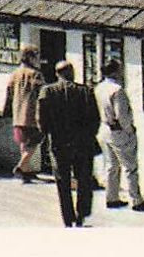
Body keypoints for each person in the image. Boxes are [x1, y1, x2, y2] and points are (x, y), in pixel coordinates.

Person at [37, 60, 102, 227]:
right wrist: (88, 135)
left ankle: (68, 218)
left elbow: (41, 119)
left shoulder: (47, 91)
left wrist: (47, 134)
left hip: (59, 143)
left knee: (62, 181)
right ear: (72, 73)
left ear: (57, 74)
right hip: (83, 143)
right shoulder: (86, 91)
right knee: (84, 180)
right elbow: (95, 119)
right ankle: (82, 214)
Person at [94, 58, 144, 212]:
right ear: (115, 71)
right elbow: (122, 115)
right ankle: (136, 200)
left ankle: (112, 197)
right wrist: (129, 130)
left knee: (111, 166)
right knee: (130, 167)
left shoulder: (100, 87)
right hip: (119, 131)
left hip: (105, 129)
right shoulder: (118, 90)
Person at [3, 46, 44, 183]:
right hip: (32, 114)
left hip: (18, 113)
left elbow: (9, 92)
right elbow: (41, 94)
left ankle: (27, 171)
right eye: (36, 56)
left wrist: (8, 109)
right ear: (30, 57)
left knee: (24, 143)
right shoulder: (36, 74)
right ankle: (21, 166)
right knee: (35, 142)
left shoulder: (14, 74)